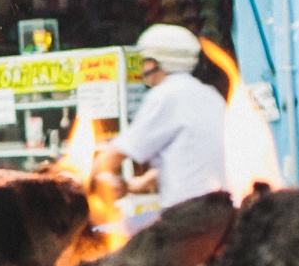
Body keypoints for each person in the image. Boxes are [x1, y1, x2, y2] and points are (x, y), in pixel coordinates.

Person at [92, 24, 229, 208]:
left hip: (187, 212)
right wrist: (137, 184)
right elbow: (193, 157)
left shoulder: (166, 94)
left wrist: (90, 175)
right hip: (221, 206)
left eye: (144, 61)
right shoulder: (209, 94)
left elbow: (121, 151)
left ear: (154, 63)